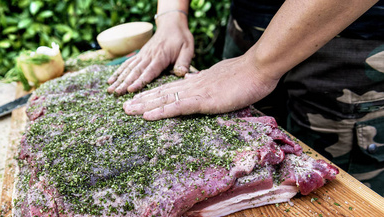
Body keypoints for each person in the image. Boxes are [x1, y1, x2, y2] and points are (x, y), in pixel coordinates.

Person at [106, 0, 384, 196]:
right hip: (247, 27)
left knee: (336, 205)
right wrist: (171, 15)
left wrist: (257, 67)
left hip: (349, 38)